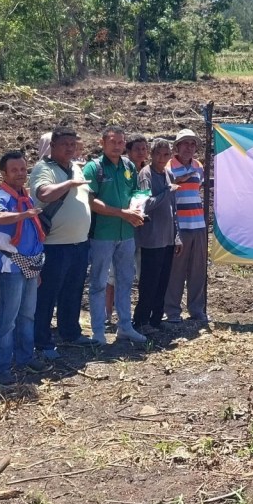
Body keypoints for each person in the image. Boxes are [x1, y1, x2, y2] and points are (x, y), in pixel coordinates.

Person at [0, 151, 51, 386]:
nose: (20, 174)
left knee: (27, 315)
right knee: (8, 319)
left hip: (31, 265)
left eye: (23, 169)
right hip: (11, 266)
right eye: (14, 170)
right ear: (3, 173)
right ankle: (1, 367)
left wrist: (37, 270)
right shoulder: (3, 195)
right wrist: (24, 214)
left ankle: (25, 357)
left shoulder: (25, 195)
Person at [30, 127, 94, 358]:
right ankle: (43, 341)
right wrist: (68, 184)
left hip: (79, 243)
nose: (70, 148)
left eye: (72, 144)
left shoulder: (76, 167)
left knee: (73, 291)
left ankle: (70, 332)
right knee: (47, 294)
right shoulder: (43, 168)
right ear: (53, 146)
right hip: (55, 246)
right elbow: (44, 194)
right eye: (65, 144)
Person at [83, 126, 147, 344]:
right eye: (113, 141)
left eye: (121, 142)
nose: (117, 146)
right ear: (102, 142)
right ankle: (98, 331)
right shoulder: (94, 168)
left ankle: (125, 327)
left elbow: (135, 193)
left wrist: (138, 207)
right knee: (99, 282)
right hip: (102, 234)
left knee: (125, 281)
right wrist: (122, 213)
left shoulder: (129, 166)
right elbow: (91, 201)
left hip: (127, 233)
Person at [164, 129, 209, 323]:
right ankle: (173, 311)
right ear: (177, 146)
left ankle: (196, 309)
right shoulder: (168, 167)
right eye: (185, 144)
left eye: (192, 144)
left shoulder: (198, 166)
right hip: (179, 226)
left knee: (198, 270)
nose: (189, 148)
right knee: (176, 271)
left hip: (198, 224)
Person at [133, 139, 179, 329]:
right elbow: (145, 204)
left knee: (163, 281)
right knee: (149, 283)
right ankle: (141, 320)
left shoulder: (169, 174)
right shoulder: (146, 174)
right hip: (151, 238)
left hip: (167, 238)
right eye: (158, 154)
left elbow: (173, 208)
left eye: (166, 154)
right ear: (151, 154)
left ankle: (156, 319)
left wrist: (177, 236)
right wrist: (165, 193)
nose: (162, 158)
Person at [105, 134, 150, 324]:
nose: (141, 152)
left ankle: (137, 315)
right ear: (128, 151)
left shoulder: (150, 171)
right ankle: (108, 314)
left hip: (145, 233)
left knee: (141, 275)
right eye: (137, 149)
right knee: (114, 275)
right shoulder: (124, 171)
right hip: (122, 230)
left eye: (144, 148)